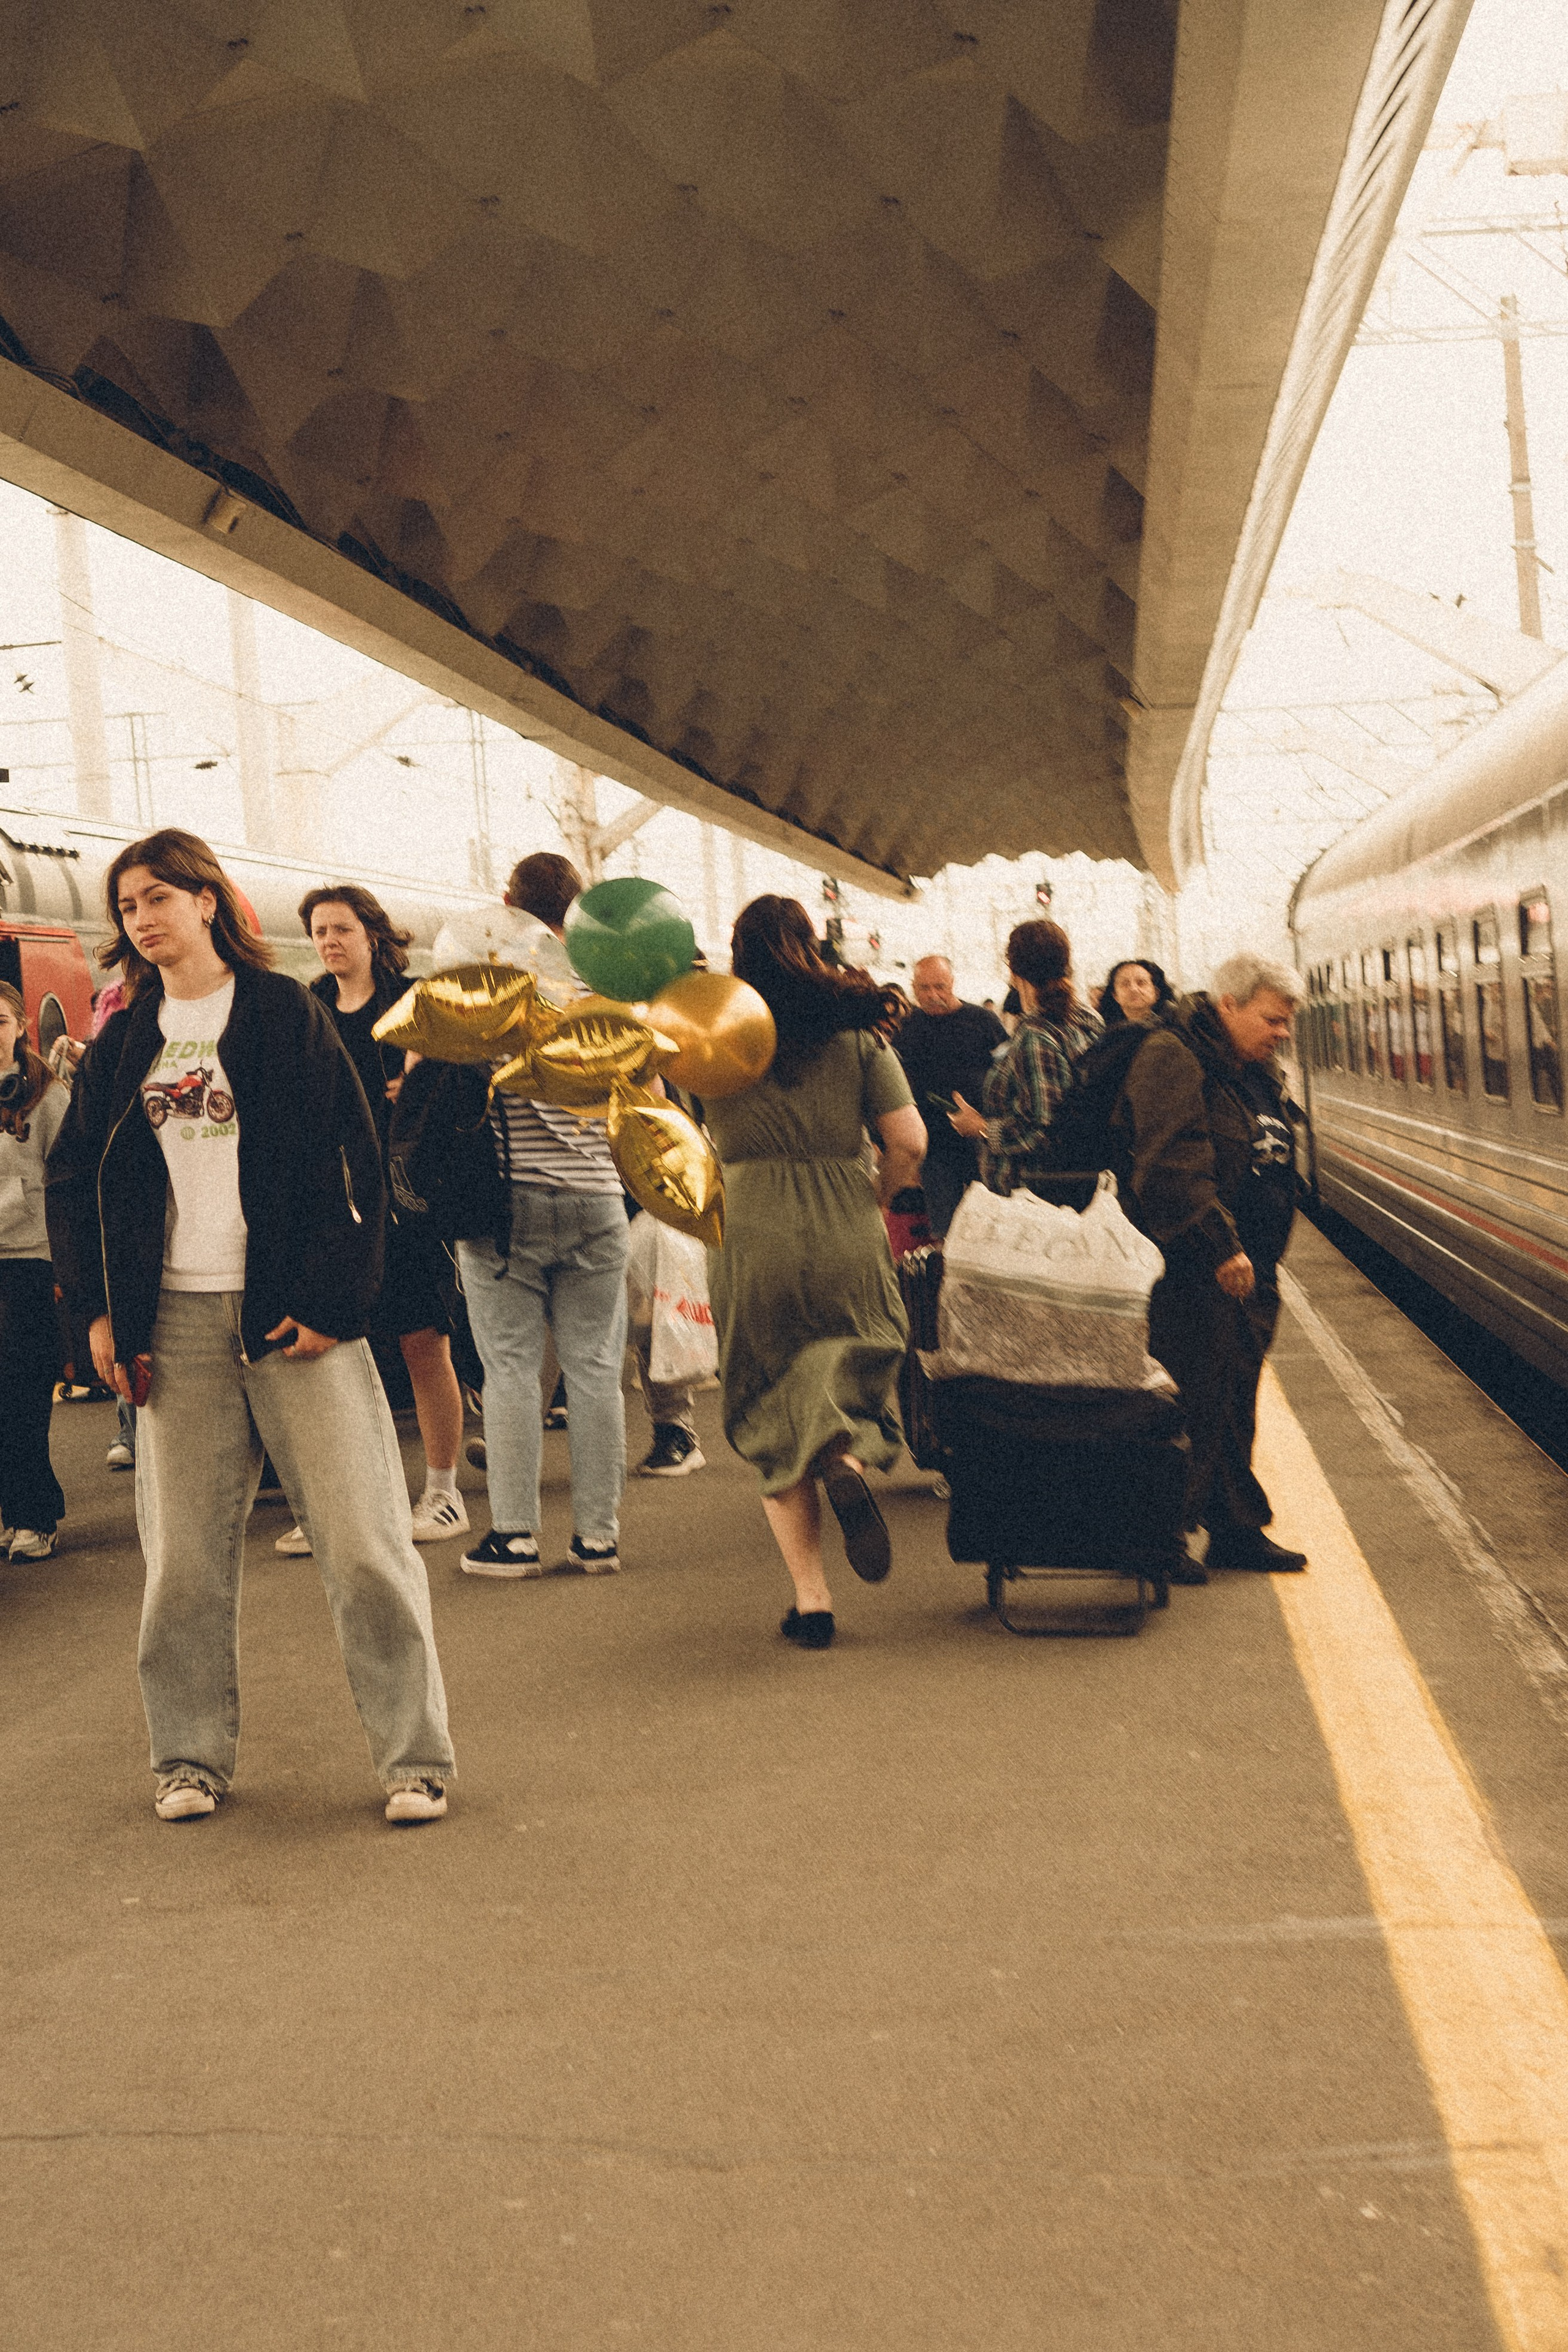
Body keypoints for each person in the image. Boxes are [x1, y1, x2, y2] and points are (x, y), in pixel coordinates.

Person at [45, 827, 454, 1825]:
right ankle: (187, 1759)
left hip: (288, 1315)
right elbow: (74, 1176)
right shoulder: (127, 1038)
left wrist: (333, 1302)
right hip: (170, 1325)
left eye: (159, 898)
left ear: (207, 901)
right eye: (129, 905)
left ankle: (415, 1760)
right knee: (182, 1558)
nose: (142, 919)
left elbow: (357, 1161)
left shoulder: (281, 1015)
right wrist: (98, 1308)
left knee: (362, 1544)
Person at [703, 896, 926, 1651]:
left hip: (748, 1225)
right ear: (810, 944)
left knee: (767, 1396)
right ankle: (849, 1453)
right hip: (843, 1219)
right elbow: (910, 1142)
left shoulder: (709, 1036)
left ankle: (813, 1601)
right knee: (860, 1351)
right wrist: (871, 1197)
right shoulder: (858, 1037)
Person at [454, 852, 631, 1579]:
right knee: (594, 1371)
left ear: (506, 902)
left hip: (509, 1199)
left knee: (511, 1373)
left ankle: (516, 1537)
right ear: (576, 909)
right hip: (597, 1198)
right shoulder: (606, 985)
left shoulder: (493, 985)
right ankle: (597, 1538)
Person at [277, 882, 469, 1550]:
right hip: (338, 1199)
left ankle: (442, 1494)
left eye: (341, 930)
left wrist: (424, 1080)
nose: (329, 942)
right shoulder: (309, 1006)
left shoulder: (414, 1001)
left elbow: (467, 1084)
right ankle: (340, 1505)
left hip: (406, 1194)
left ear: (371, 936)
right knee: (340, 1351)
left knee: (422, 1342)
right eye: (320, 932)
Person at [1110, 953, 1307, 1575]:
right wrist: (1220, 1247)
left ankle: (1233, 1528)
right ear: (1228, 1004)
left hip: (1250, 1265)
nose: (1281, 1033)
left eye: (1285, 1024)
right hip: (1194, 1264)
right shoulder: (1173, 1056)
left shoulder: (1247, 1066)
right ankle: (1150, 1540)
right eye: (1271, 1019)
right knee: (1187, 1399)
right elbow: (1168, 1165)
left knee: (1231, 1398)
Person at [949, 920, 1099, 1197]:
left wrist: (981, 1127)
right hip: (1079, 1183)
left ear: (1013, 972)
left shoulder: (1036, 1035)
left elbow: (1042, 1129)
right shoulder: (1088, 1019)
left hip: (1030, 1194)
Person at [0, 982, 68, 1561]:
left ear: (21, 1027)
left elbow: (66, 1177)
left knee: (22, 1394)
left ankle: (34, 1516)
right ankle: (11, 1510)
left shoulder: (47, 1095)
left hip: (28, 1261)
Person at [893, 955, 1006, 1237]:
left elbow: (1009, 1074)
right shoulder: (906, 1027)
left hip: (982, 1140)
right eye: (924, 988)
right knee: (945, 1232)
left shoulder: (983, 1021)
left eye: (940, 987)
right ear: (914, 988)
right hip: (935, 1146)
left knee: (993, 1226)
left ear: (952, 984)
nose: (933, 995)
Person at [1101, 959, 1177, 1028]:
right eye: (1125, 984)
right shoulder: (1110, 1036)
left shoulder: (1177, 1024)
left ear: (1156, 993)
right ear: (1115, 996)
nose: (1133, 989)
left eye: (1141, 983)